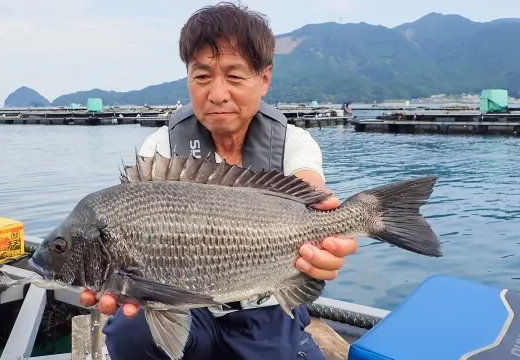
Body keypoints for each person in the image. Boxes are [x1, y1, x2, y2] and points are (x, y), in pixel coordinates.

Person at [79, 2, 358, 359]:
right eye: (202, 76)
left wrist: (331, 235)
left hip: (266, 310)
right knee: (131, 331)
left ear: (265, 79)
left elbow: (312, 194)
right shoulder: (161, 149)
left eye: (235, 76)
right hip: (187, 310)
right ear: (188, 80)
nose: (217, 93)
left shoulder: (294, 143)